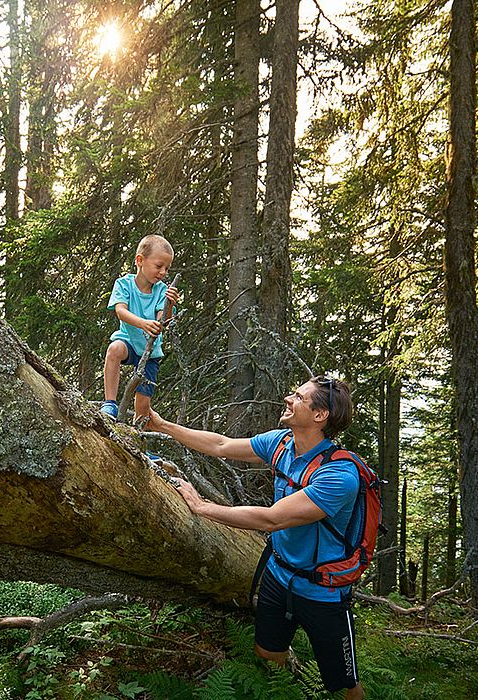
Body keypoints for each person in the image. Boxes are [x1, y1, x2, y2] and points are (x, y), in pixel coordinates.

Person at [146, 376, 365, 700]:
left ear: (320, 416)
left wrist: (201, 506)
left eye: (298, 397)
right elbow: (221, 445)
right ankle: (289, 687)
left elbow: (272, 518)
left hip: (323, 592)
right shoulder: (281, 444)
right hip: (278, 576)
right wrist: (162, 425)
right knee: (267, 653)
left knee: (345, 684)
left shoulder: (339, 476)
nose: (288, 399)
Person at [99, 234, 179, 423]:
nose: (163, 272)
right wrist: (143, 323)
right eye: (159, 266)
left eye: (167, 268)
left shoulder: (162, 291)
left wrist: (169, 305)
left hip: (150, 352)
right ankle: (109, 402)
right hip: (128, 341)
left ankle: (138, 440)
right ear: (140, 261)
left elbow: (163, 321)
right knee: (114, 349)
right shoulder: (124, 284)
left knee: (143, 405)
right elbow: (120, 311)